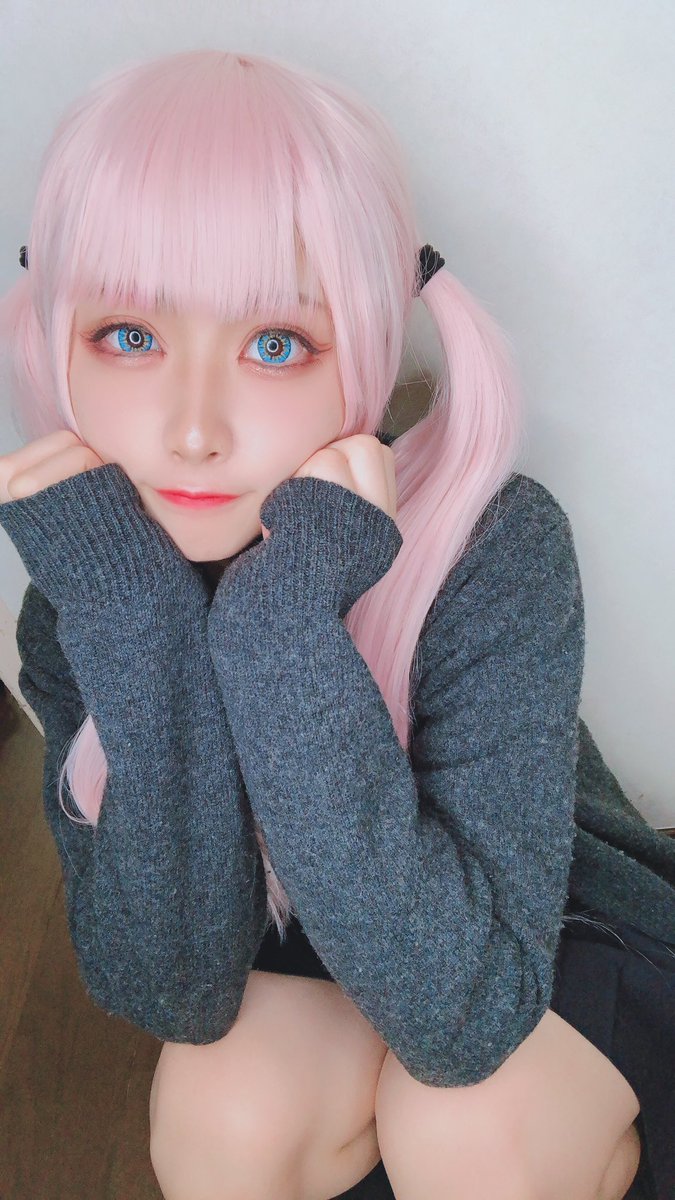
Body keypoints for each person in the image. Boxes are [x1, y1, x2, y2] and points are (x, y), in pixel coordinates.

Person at [0, 48, 672, 1200]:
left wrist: (279, 625)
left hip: (533, 930)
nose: (194, 430)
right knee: (223, 1111)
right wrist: (141, 626)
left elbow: (464, 1015)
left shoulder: (492, 541)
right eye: (129, 337)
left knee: (468, 1130)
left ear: (363, 340)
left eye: (275, 344)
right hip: (298, 938)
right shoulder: (89, 588)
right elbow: (171, 991)